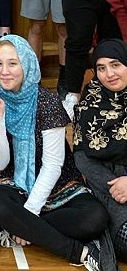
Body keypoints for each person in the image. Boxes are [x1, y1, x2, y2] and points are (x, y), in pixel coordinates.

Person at [0, 35, 110, 271]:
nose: (4, 71)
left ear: (27, 64)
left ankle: (12, 226)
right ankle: (77, 251)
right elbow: (0, 163)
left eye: (13, 63)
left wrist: (27, 216)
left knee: (94, 218)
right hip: (16, 183)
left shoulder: (47, 102)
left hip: (59, 184)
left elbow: (52, 166)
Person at [74, 39, 127, 262]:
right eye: (101, 68)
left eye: (116, 65)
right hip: (110, 191)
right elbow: (82, 158)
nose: (109, 74)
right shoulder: (90, 102)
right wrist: (118, 187)